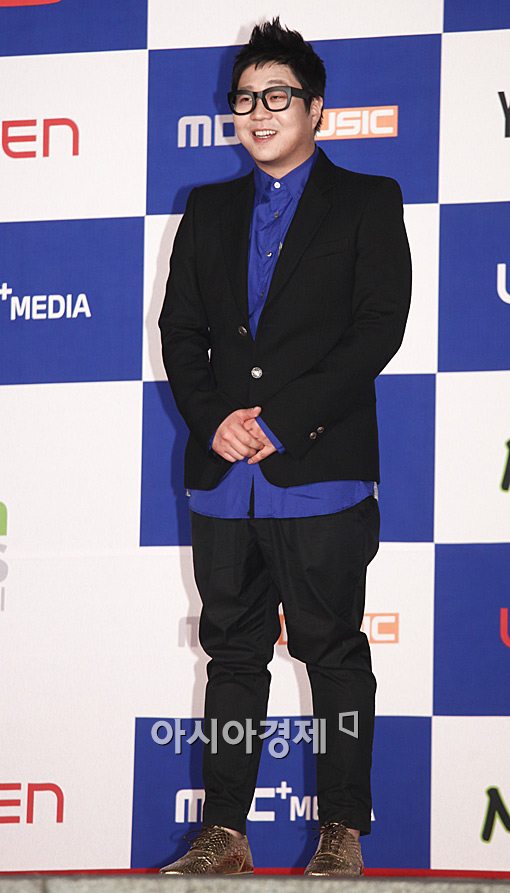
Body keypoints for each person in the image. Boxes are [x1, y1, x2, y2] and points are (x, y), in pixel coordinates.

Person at [158, 17, 411, 877]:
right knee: (232, 657)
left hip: (320, 472)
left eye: (277, 96)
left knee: (332, 652)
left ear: (317, 110)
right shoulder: (208, 209)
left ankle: (342, 828)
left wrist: (281, 419)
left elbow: (378, 328)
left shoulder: (369, 199)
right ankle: (223, 830)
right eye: (244, 99)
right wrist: (213, 419)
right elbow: (180, 331)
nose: (258, 113)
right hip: (223, 477)